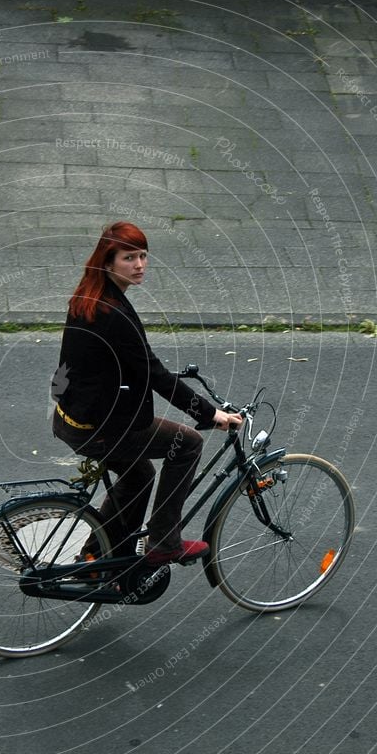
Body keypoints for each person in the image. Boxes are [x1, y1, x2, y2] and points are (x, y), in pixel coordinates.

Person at [51, 221, 242, 566]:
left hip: (71, 418)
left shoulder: (87, 296)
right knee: (187, 444)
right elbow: (154, 374)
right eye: (128, 257)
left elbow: (78, 361)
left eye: (143, 256)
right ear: (108, 262)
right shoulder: (114, 314)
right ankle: (163, 543)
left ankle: (99, 558)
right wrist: (210, 414)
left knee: (139, 475)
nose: (139, 265)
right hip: (99, 428)